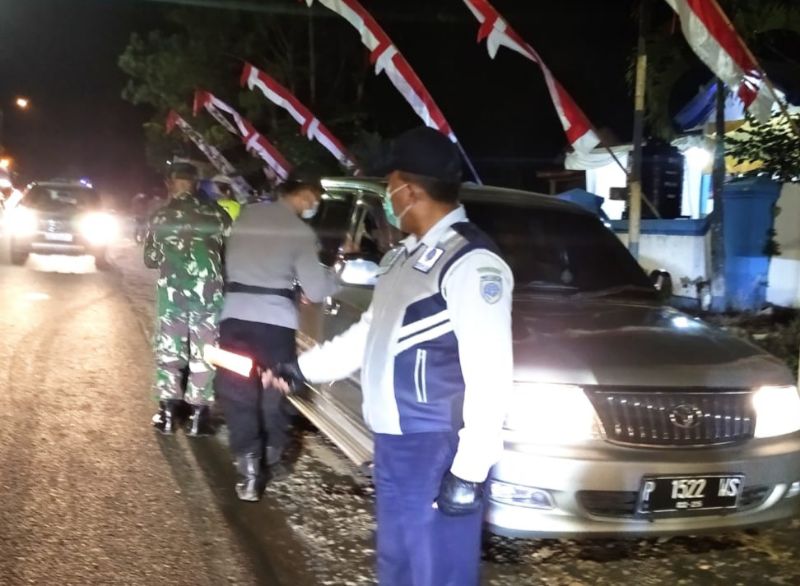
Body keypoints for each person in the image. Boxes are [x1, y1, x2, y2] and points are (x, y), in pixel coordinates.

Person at [267, 127, 514, 586]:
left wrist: (470, 468)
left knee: (437, 571)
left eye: (389, 185)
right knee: (398, 566)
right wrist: (303, 369)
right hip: (395, 442)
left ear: (410, 188)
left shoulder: (471, 262)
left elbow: (492, 370)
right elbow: (368, 334)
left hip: (437, 445)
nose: (387, 196)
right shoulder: (403, 258)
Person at [215, 170, 337, 501]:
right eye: (315, 198)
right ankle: (270, 459)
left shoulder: (247, 215)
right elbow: (315, 288)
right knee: (273, 392)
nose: (315, 205)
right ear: (305, 195)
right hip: (275, 325)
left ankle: (250, 471)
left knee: (238, 392)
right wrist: (336, 275)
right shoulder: (300, 232)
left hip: (234, 317)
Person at [145, 162, 232, 436]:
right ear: (196, 183)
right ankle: (198, 419)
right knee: (204, 355)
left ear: (171, 183)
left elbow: (150, 259)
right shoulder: (218, 215)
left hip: (173, 296)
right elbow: (229, 254)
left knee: (170, 352)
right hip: (208, 296)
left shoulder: (161, 216)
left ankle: (168, 415)